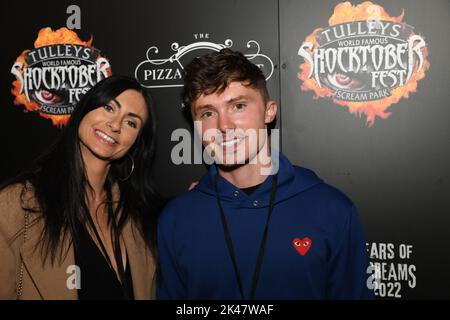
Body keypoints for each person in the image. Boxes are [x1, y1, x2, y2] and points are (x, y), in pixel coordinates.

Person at [157, 49, 374, 300]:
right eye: (207, 113)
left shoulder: (332, 210)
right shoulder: (176, 219)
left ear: (269, 112)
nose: (223, 126)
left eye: (238, 106)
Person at [0, 75, 162, 300]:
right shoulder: (18, 205)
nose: (115, 125)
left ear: (137, 142)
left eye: (131, 122)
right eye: (108, 107)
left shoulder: (138, 217)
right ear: (85, 108)